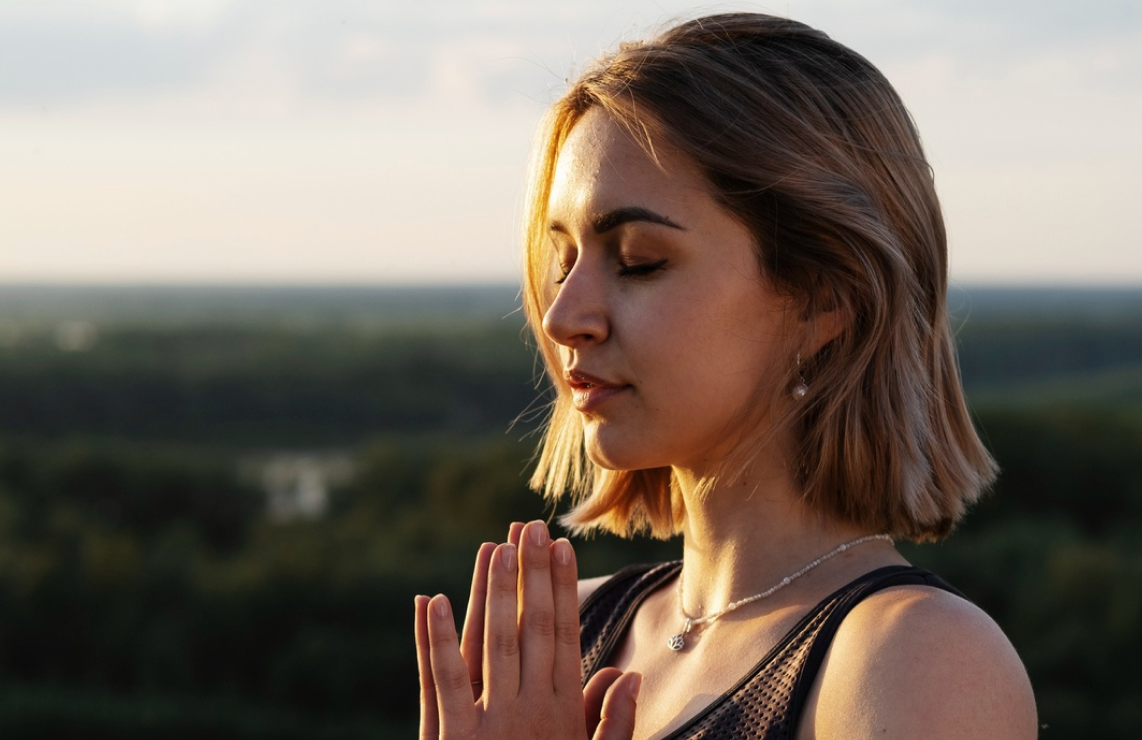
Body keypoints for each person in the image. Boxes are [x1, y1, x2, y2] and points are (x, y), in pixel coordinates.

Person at [414, 13, 1037, 740]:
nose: (563, 317)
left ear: (822, 300)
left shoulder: (915, 659)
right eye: (561, 262)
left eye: (639, 260)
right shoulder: (562, 637)